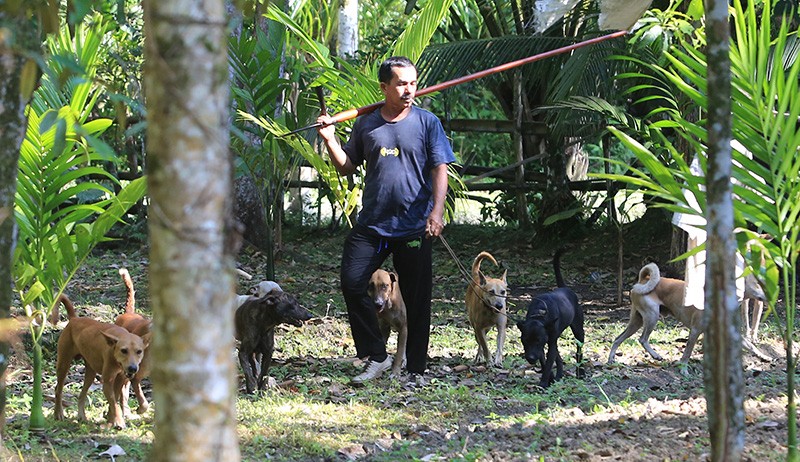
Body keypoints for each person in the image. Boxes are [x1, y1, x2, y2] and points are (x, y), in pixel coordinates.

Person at [316, 56, 456, 385]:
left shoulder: (427, 123)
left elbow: (440, 168)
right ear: (384, 87)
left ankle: (416, 369)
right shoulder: (367, 124)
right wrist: (331, 140)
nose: (409, 90)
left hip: (413, 225)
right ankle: (376, 355)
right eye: (401, 84)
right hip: (373, 226)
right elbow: (347, 166)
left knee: (418, 299)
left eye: (412, 83)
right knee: (352, 282)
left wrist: (437, 211)